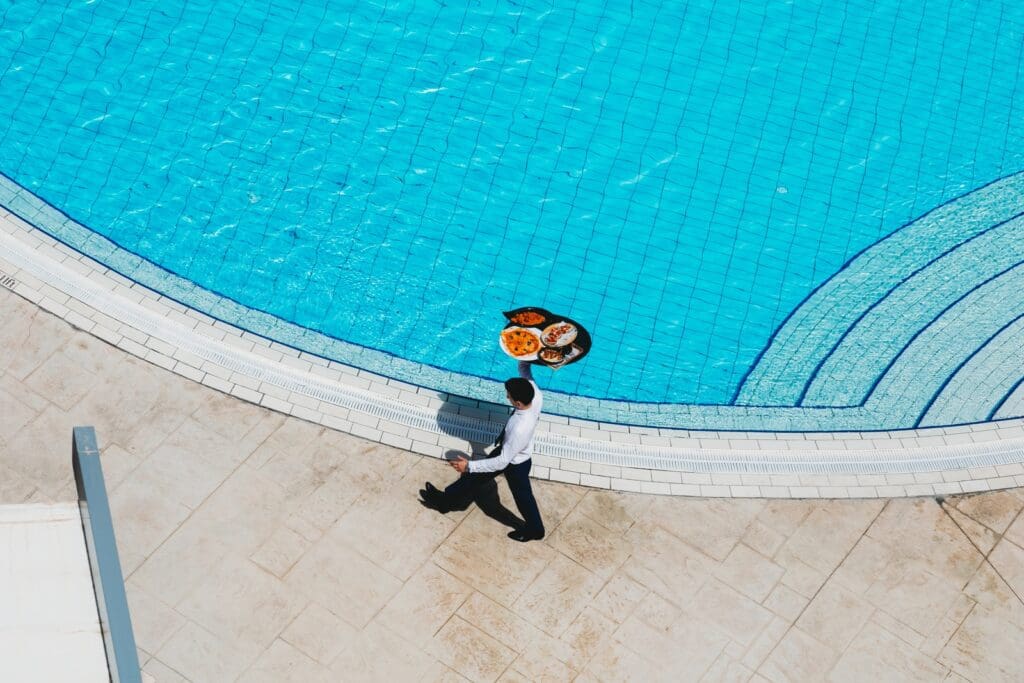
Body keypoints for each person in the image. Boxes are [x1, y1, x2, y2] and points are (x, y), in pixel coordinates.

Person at [421, 361, 545, 542]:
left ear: (518, 403)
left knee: (522, 497)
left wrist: (469, 465)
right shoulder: (536, 396)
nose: (507, 397)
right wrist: (526, 360)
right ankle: (444, 502)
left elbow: (503, 461)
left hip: (514, 463)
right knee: (472, 480)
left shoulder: (520, 428)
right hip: (510, 452)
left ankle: (535, 530)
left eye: (509, 397)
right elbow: (525, 373)